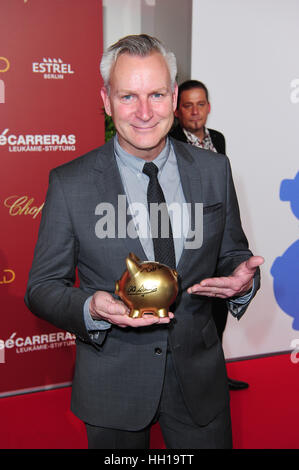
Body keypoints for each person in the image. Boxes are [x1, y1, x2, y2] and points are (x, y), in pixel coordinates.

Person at [25, 34, 263, 449]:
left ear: (173, 96)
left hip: (199, 381)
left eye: (155, 94)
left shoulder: (214, 170)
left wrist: (241, 281)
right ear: (106, 100)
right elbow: (42, 288)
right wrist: (92, 307)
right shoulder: (70, 183)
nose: (144, 113)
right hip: (113, 385)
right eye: (128, 96)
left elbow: (232, 254)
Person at [170, 80, 249, 391]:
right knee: (192, 311)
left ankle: (214, 374)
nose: (194, 111)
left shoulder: (218, 138)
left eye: (200, 104)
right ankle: (187, 380)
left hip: (218, 235)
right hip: (188, 238)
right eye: (187, 105)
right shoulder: (171, 140)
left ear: (208, 107)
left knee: (220, 307)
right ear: (177, 111)